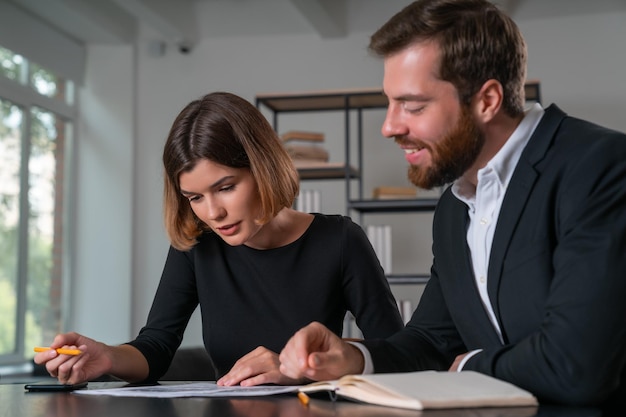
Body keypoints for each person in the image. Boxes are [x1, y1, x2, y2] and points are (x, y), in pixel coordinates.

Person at [278, 0, 626, 412]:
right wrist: (353, 357)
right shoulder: (453, 207)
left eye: (413, 105)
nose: (390, 126)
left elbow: (577, 364)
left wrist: (469, 367)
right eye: (390, 103)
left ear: (487, 100)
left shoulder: (601, 166)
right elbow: (432, 341)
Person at [35, 91, 403, 387]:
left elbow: (397, 354)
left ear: (264, 168)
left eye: (225, 187)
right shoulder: (198, 245)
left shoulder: (339, 240)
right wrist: (108, 356)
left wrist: (301, 368)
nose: (213, 213)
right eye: (194, 198)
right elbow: (156, 347)